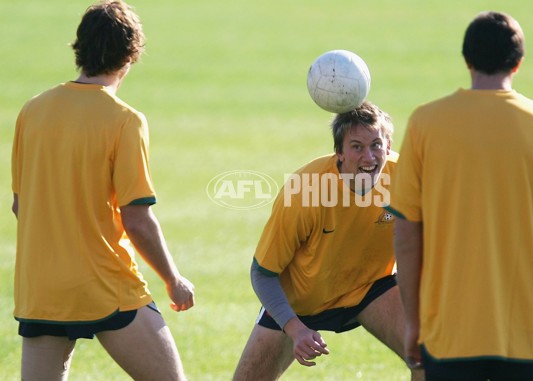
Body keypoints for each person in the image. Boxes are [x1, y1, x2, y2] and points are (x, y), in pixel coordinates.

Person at [387, 11, 533, 381]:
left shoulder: (425, 123)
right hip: (528, 335)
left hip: (447, 334)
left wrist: (413, 324)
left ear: (467, 60)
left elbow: (405, 237)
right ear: (518, 63)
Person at [11, 1, 195, 380]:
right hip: (105, 287)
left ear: (79, 49)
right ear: (130, 56)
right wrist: (173, 281)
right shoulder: (125, 121)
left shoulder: (32, 111)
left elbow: (20, 206)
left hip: (42, 291)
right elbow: (136, 218)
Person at [233, 101, 423, 381]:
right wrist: (294, 328)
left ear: (389, 144)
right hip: (301, 300)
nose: (369, 157)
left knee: (429, 361)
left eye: (376, 145)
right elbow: (262, 273)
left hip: (370, 287)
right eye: (357, 147)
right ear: (340, 153)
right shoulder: (305, 189)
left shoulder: (407, 177)